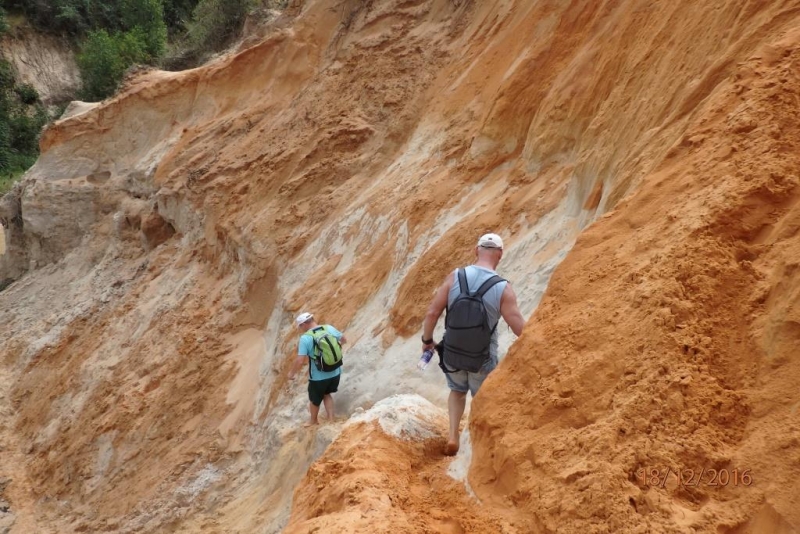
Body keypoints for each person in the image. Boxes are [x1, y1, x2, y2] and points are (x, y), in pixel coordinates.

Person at [421, 233, 525, 455]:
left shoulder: (455, 276)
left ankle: (452, 436)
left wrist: (427, 341)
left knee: (457, 391)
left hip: (452, 353)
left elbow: (432, 313)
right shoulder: (503, 288)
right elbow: (519, 328)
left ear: (476, 250)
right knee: (482, 399)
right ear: (500, 254)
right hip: (482, 358)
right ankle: (477, 446)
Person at [288, 312, 347, 427]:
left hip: (319, 376)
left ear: (304, 324)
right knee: (327, 394)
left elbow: (300, 360)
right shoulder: (328, 328)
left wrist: (291, 373)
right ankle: (331, 419)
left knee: (314, 400)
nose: (300, 329)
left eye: (300, 326)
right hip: (335, 371)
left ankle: (313, 421)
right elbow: (343, 339)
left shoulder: (306, 338)